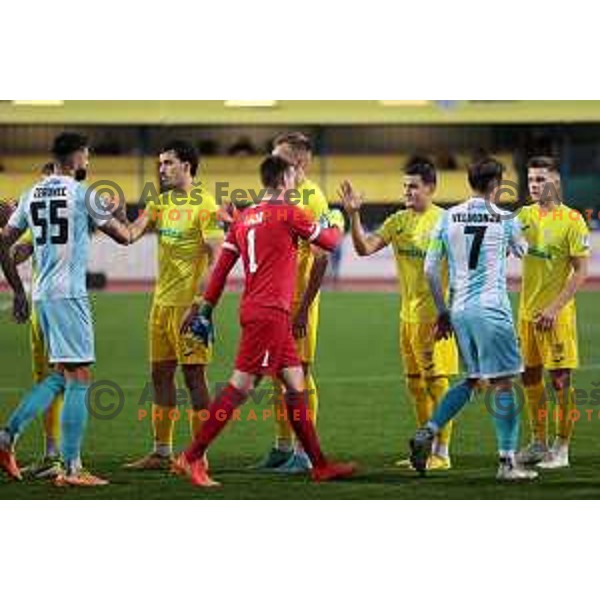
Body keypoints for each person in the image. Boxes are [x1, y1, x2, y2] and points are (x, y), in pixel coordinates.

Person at [173, 155, 356, 486]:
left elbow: (221, 270)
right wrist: (339, 218)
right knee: (241, 386)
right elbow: (329, 242)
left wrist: (206, 311)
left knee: (295, 384)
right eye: (293, 176)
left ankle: (319, 464)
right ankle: (191, 456)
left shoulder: (244, 219)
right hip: (270, 314)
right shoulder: (289, 212)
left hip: (260, 311)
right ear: (285, 179)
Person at [0, 132, 147, 486]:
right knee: (79, 378)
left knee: (60, 377)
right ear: (78, 157)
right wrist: (141, 217)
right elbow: (125, 237)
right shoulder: (84, 195)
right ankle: (71, 468)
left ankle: (7, 437)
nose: (88, 162)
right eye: (87, 157)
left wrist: (18, 287)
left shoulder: (31, 193)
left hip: (43, 295)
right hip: (69, 295)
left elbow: (5, 239)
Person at [409, 157, 537, 481]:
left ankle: (429, 430)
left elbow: (429, 270)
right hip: (492, 309)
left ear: (470, 182)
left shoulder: (448, 217)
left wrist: (443, 312)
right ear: (496, 184)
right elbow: (523, 251)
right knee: (504, 382)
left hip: (460, 310)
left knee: (472, 380)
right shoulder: (506, 219)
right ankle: (507, 463)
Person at [340, 157, 458, 470]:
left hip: (435, 320)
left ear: (431, 188)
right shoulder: (398, 221)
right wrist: (354, 216)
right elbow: (364, 248)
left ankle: (443, 453)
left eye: (414, 187)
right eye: (405, 186)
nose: (407, 192)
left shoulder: (446, 222)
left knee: (437, 383)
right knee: (415, 385)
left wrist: (451, 312)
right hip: (407, 318)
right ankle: (424, 448)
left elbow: (462, 271)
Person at [125, 141, 223, 470]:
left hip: (189, 307)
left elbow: (218, 258)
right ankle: (161, 452)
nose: (162, 169)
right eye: (160, 163)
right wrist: (108, 216)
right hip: (161, 305)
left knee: (195, 379)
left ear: (187, 166)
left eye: (168, 163)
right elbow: (131, 233)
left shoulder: (206, 205)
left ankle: (199, 457)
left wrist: (200, 304)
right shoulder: (160, 202)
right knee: (160, 376)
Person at [253, 132, 332, 474]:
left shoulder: (312, 199)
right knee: (277, 376)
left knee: (299, 375)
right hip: (276, 304)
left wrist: (303, 309)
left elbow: (322, 258)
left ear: (299, 163)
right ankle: (282, 446)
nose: (273, 164)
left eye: (280, 158)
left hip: (298, 304)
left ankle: (303, 451)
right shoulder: (275, 194)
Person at [516, 156, 590, 469]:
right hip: (526, 313)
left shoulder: (573, 220)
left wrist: (554, 307)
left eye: (540, 180)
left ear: (556, 182)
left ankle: (562, 448)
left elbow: (580, 272)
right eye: (531, 180)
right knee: (529, 376)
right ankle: (538, 442)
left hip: (556, 316)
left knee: (560, 380)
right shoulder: (522, 216)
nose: (534, 185)